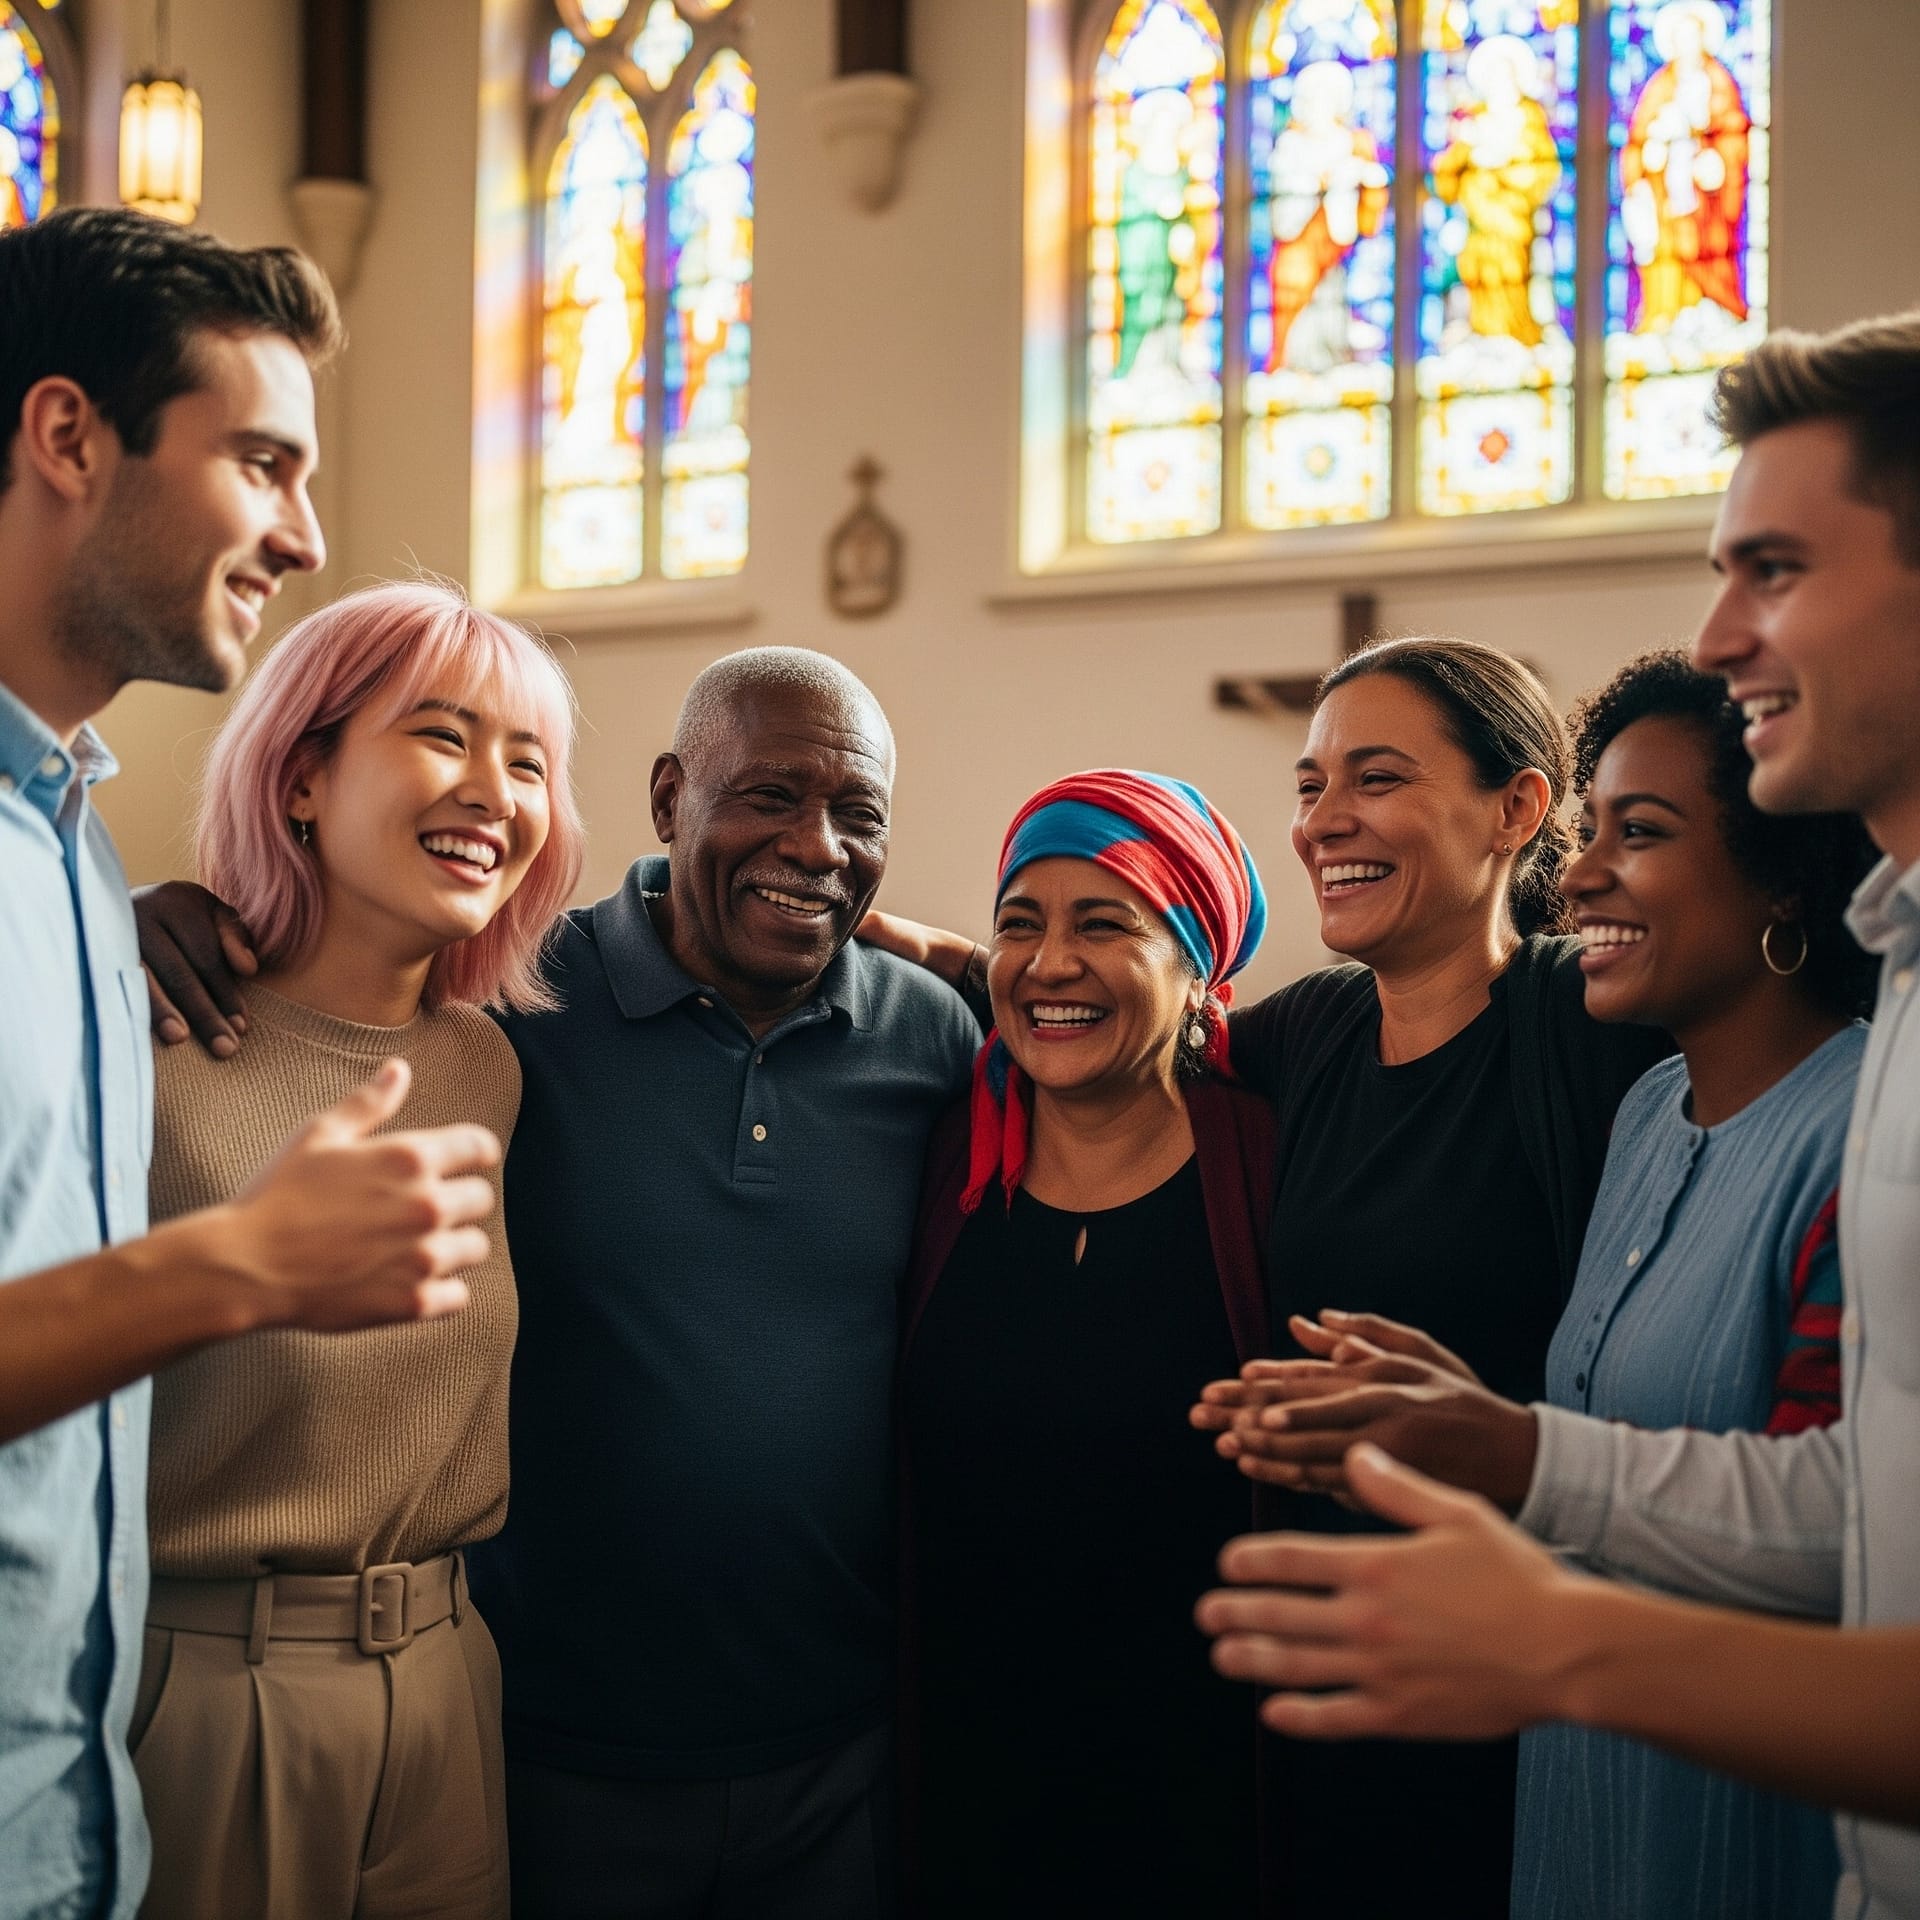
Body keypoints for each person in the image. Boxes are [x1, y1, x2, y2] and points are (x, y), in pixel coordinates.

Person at [1194, 310, 1920, 1919]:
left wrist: (1543, 1550)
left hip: (1718, 1792)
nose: (1728, 633)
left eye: (1775, 570)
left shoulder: (1650, 1052)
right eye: (1308, 783)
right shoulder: (1655, 1106)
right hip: (1572, 1798)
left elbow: (1853, 1541)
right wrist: (1504, 1438)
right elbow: (1855, 1496)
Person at [139, 645, 982, 1920]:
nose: (814, 845)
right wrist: (137, 914)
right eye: (766, 796)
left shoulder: (932, 1036)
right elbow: (337, 995)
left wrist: (989, 963)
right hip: (548, 1742)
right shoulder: (525, 1005)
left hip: (836, 1745)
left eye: (856, 814)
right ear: (667, 799)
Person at [865, 635, 1668, 1913]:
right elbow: (1142, 1012)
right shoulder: (1318, 1038)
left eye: (1377, 777)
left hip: (1514, 1639)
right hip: (1318, 1679)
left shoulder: (1589, 1022)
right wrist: (950, 954)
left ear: (1519, 810)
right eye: (1310, 785)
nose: (1327, 819)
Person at [0, 206, 503, 1920]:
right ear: (69, 434)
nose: (303, 534)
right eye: (265, 464)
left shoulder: (70, 854)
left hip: (72, 1808)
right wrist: (246, 1263)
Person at [132, 581, 583, 1919]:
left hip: (449, 1678)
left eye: (531, 763)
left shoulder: (490, 1068)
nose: (494, 794)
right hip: (216, 1694)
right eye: (443, 736)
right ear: (302, 780)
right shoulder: (143, 1041)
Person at [898, 770, 1272, 1918]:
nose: (1049, 964)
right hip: (954, 1797)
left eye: (1103, 923)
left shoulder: (1271, 1165)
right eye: (1021, 924)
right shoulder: (938, 1151)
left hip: (1211, 1806)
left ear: (1195, 962)